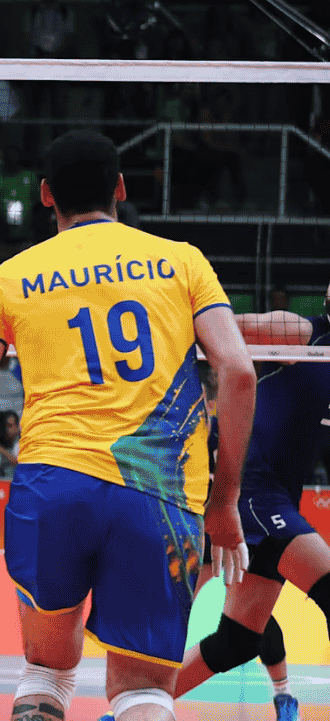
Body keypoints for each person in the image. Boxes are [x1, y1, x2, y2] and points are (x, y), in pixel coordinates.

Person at [0, 130, 257, 721]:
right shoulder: (182, 260)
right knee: (142, 691)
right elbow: (240, 373)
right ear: (121, 188)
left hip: (51, 487)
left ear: (45, 196)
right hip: (158, 494)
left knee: (45, 674)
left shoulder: (9, 277)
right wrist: (224, 504)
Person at [139, 286, 330, 721]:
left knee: (238, 642)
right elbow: (226, 328)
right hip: (254, 493)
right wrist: (164, 329)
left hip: (279, 498)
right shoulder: (305, 335)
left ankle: (134, 711)